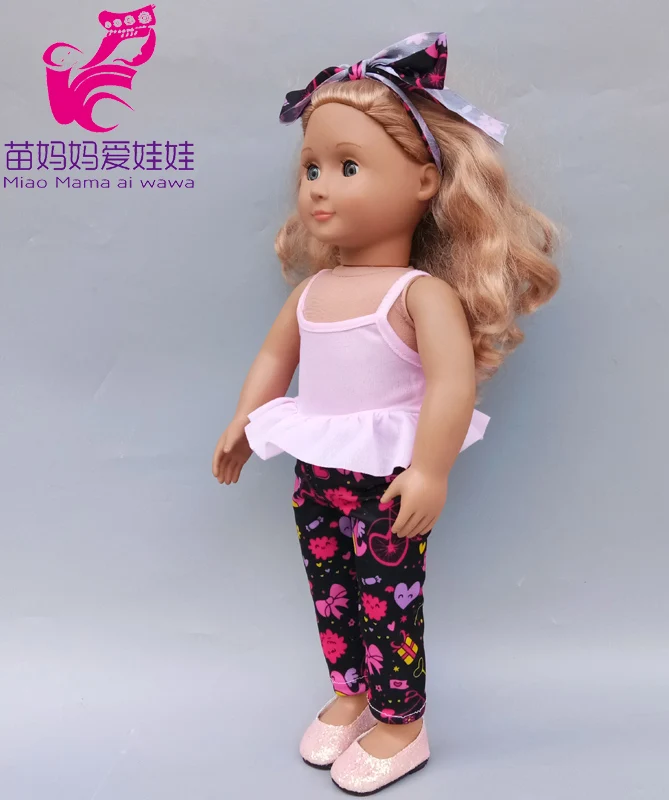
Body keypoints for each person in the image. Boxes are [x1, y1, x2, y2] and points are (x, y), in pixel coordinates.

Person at [212, 32, 560, 795]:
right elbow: (275, 359)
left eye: (347, 167)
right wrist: (245, 419)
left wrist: (431, 470)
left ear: (425, 181)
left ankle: (402, 720)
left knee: (389, 600)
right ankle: (351, 689)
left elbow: (451, 385)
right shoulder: (312, 293)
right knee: (330, 586)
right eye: (311, 168)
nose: (318, 187)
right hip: (315, 478)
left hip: (389, 486)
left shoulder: (418, 295)